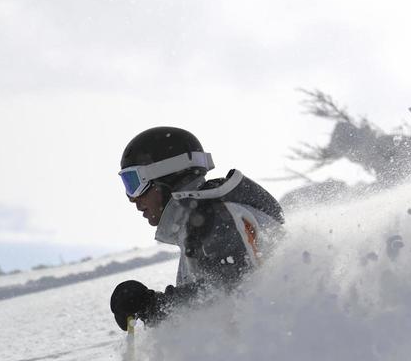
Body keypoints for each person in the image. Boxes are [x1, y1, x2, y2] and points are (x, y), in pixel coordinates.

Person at [109, 126, 284, 330]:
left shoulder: (217, 217)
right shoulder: (197, 224)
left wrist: (154, 306)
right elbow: (206, 313)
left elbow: (231, 291)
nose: (133, 199)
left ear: (165, 176)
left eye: (134, 183)